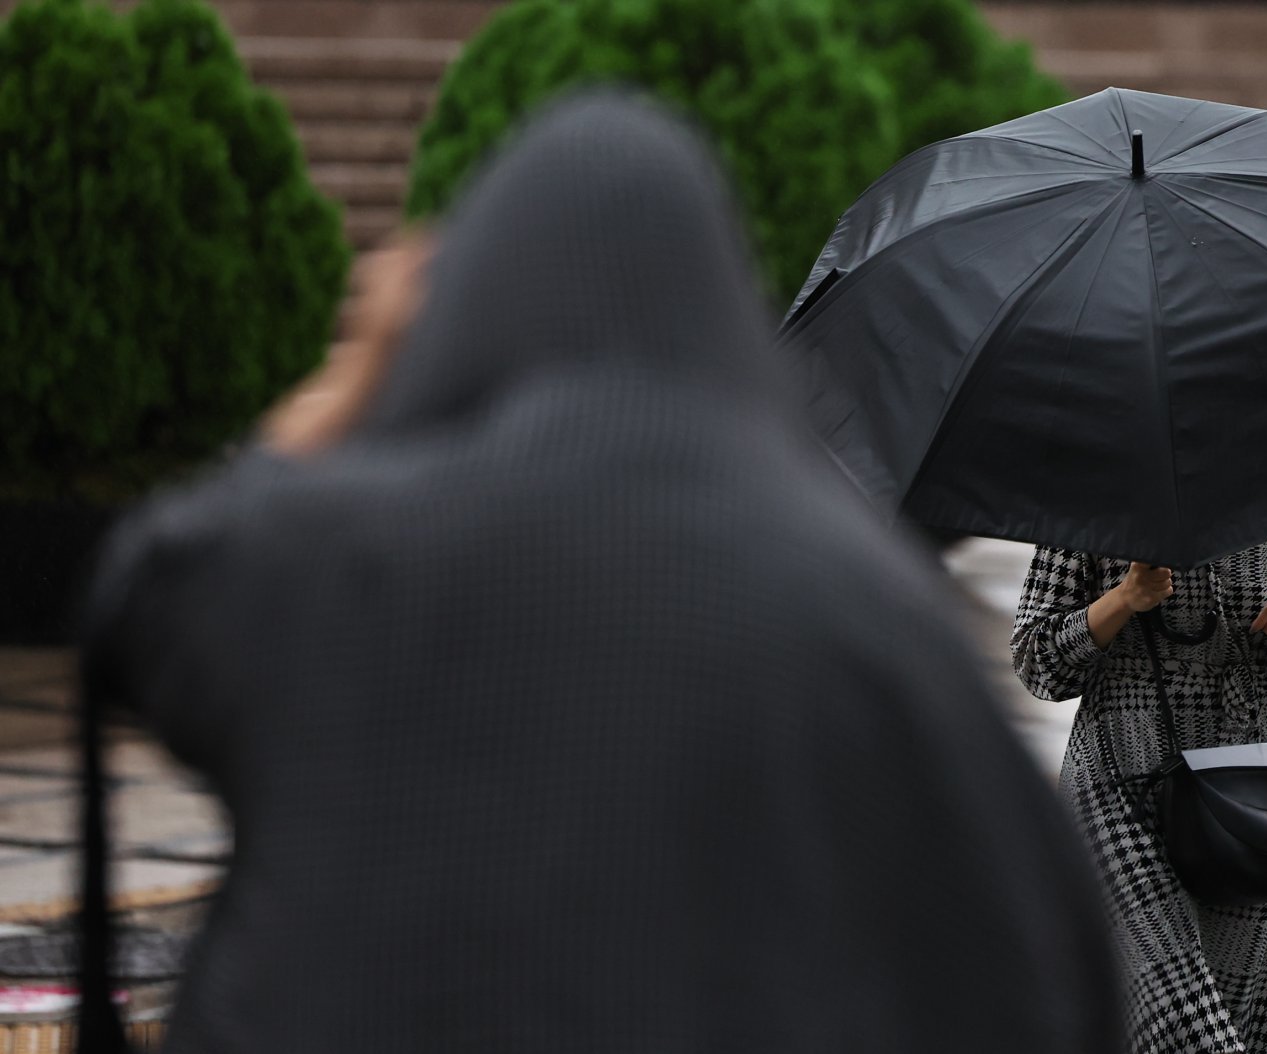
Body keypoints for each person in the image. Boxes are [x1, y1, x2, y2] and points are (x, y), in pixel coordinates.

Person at [78, 92, 1120, 1052]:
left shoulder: (344, 551)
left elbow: (142, 595)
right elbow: (1045, 958)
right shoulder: (867, 604)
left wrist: (352, 385)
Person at [1011, 530, 1267, 1053]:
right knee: (1171, 1007)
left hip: (1250, 789)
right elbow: (1038, 662)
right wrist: (1121, 600)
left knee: (1236, 1012)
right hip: (1122, 781)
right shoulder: (1096, 498)